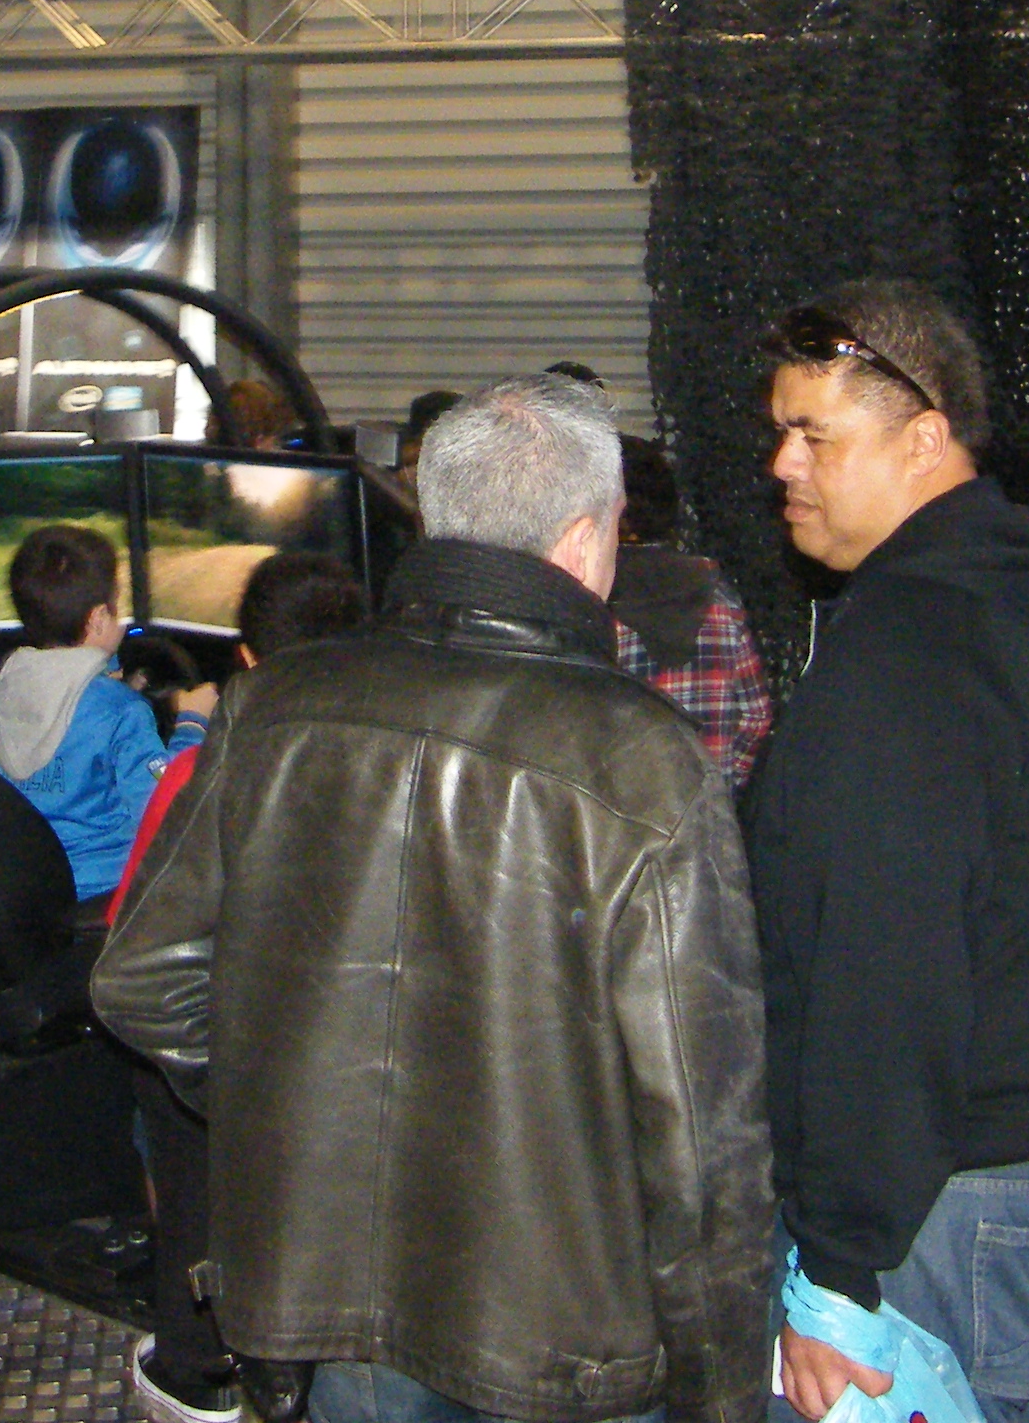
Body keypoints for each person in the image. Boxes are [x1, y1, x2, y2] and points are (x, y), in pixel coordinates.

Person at [96, 372, 775, 1423]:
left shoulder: (270, 705)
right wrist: (722, 1395)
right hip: (561, 1334)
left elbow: (141, 978)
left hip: (331, 1304)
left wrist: (292, 1102)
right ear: (585, 541)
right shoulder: (645, 760)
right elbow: (700, 1135)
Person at [744, 284, 1029, 1423]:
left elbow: (886, 972)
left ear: (923, 441)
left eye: (813, 434)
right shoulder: (1001, 594)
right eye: (780, 431)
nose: (781, 463)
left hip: (947, 1187)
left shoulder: (912, 653)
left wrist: (839, 1265)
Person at [111, 547, 374, 1423]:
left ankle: (194, 1362)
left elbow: (134, 947)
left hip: (242, 1058)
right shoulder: (402, 760)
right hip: (357, 1062)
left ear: (248, 660)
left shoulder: (207, 771)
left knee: (164, 1099)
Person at [0, 522, 212, 909]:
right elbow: (168, 809)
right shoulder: (120, 712)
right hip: (109, 895)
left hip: (28, 896)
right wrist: (191, 724)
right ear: (99, 619)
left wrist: (108, 681)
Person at [607, 434, 775, 786]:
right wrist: (723, 782)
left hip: (622, 807)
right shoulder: (718, 595)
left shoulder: (596, 599)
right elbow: (757, 715)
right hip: (706, 806)